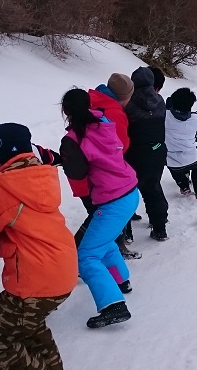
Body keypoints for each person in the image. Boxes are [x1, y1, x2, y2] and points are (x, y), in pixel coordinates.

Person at [0, 124, 78, 370]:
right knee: (29, 324)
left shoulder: (5, 187)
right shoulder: (40, 174)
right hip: (61, 267)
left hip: (36, 279)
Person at [58, 89, 141, 328]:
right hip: (129, 191)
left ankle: (114, 305)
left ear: (65, 111)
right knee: (102, 240)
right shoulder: (103, 121)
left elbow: (77, 172)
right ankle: (120, 280)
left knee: (86, 255)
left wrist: (64, 156)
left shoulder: (74, 137)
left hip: (112, 199)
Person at [69, 73, 140, 260]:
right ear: (124, 97)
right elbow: (120, 146)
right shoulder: (114, 112)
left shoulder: (90, 100)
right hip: (101, 180)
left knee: (99, 217)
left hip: (85, 177)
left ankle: (106, 250)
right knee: (99, 219)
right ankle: (77, 258)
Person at [124, 67, 170, 241]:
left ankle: (126, 234)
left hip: (134, 154)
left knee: (125, 192)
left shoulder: (127, 104)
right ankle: (160, 228)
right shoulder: (160, 101)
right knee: (153, 188)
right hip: (157, 152)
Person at [165, 87, 197, 200]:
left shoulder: (163, 116)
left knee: (175, 164)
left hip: (170, 160)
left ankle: (184, 186)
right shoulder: (195, 120)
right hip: (192, 159)